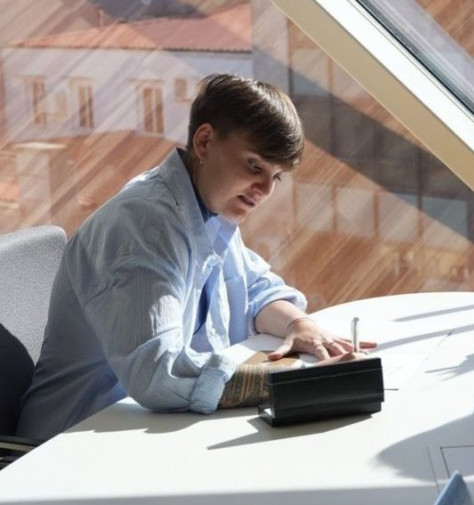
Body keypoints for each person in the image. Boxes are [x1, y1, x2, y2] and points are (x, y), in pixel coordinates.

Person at [17, 74, 374, 441]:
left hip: (143, 431)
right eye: (254, 166)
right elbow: (159, 373)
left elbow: (254, 292)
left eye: (276, 176)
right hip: (72, 445)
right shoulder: (144, 225)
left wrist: (300, 326)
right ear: (204, 141)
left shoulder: (210, 209)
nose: (266, 190)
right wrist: (299, 383)